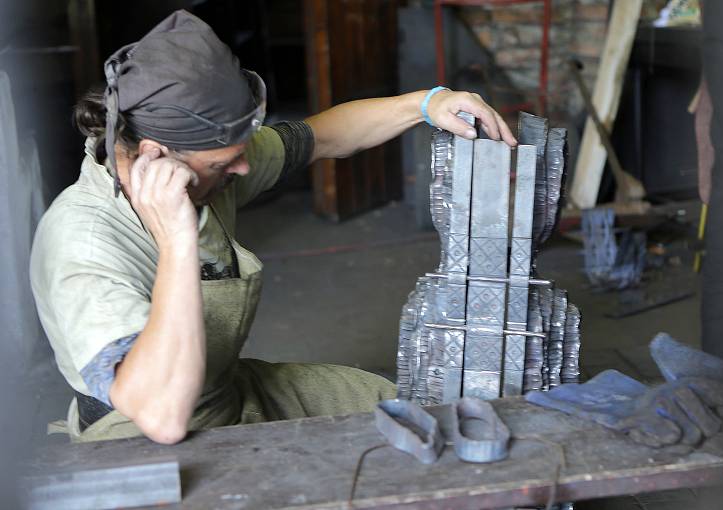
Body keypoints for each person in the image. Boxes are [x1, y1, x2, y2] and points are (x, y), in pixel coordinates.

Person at [29, 10, 517, 444]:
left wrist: (426, 103)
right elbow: (162, 418)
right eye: (225, 163)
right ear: (156, 157)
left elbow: (323, 137)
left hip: (222, 391)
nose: (242, 170)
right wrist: (178, 240)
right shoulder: (84, 242)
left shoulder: (202, 170)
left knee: (413, 410)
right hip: (138, 434)